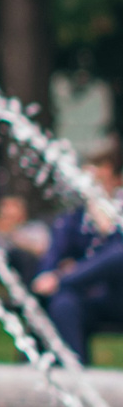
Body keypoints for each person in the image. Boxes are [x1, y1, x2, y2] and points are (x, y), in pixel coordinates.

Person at [35, 148, 123, 363]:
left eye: (101, 176)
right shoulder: (76, 217)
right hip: (87, 295)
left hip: (117, 296)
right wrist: (48, 273)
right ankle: (76, 375)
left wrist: (64, 278)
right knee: (63, 304)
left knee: (62, 291)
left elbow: (117, 256)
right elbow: (55, 252)